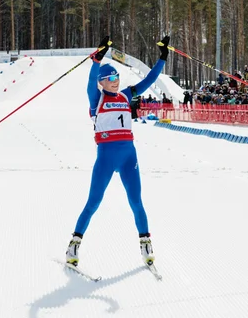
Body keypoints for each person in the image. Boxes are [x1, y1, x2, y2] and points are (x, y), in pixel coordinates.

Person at [66, 35, 170, 268]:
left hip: (128, 157)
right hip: (106, 158)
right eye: (110, 78)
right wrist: (97, 59)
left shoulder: (125, 95)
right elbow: (90, 81)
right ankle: (74, 244)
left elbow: (150, 79)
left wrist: (162, 57)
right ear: (102, 82)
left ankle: (145, 244)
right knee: (93, 202)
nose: (114, 81)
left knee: (136, 201)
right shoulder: (97, 98)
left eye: (116, 77)